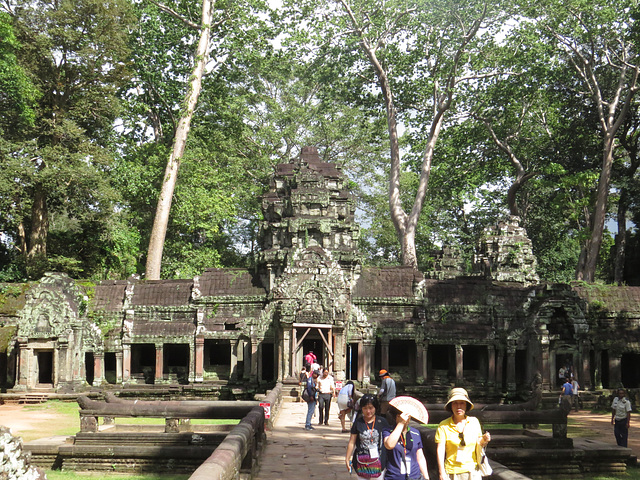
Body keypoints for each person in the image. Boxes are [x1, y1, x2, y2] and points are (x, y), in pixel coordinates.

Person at [435, 387, 491, 480]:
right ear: (451, 406)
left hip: (473, 471)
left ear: (466, 405)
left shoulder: (474, 422)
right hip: (452, 472)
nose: (458, 407)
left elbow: (479, 443)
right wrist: (441, 472)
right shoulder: (443, 425)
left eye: (462, 403)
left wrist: (484, 440)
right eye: (455, 403)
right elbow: (440, 450)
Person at [346, 393, 390, 479]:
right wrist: (347, 458)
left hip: (379, 459)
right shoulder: (358, 422)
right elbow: (352, 441)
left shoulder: (382, 422)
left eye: (370, 408)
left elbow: (389, 441)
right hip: (362, 461)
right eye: (365, 408)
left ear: (375, 408)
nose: (368, 411)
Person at [383, 404, 430, 480]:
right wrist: (401, 424)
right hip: (394, 476)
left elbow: (420, 457)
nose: (407, 419)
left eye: (409, 416)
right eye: (403, 416)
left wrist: (426, 477)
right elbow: (389, 445)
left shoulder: (415, 432)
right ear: (397, 416)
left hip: (414, 476)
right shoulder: (388, 431)